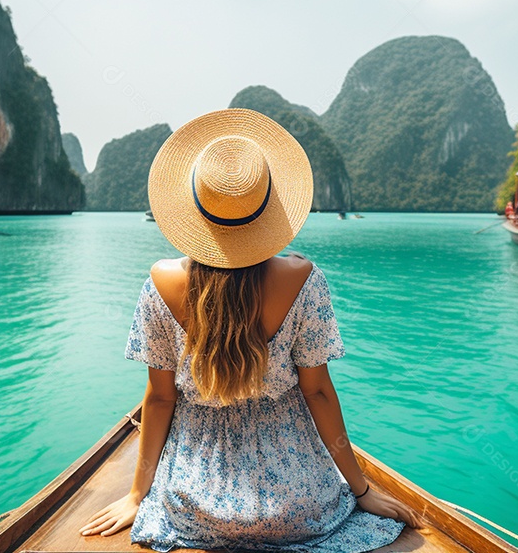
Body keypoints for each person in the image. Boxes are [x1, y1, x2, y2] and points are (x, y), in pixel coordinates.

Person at [80, 108, 421, 551]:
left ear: (194, 208)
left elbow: (161, 398)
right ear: (269, 207)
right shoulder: (304, 280)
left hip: (196, 505)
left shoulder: (159, 285)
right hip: (297, 504)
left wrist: (135, 496)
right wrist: (361, 491)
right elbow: (317, 393)